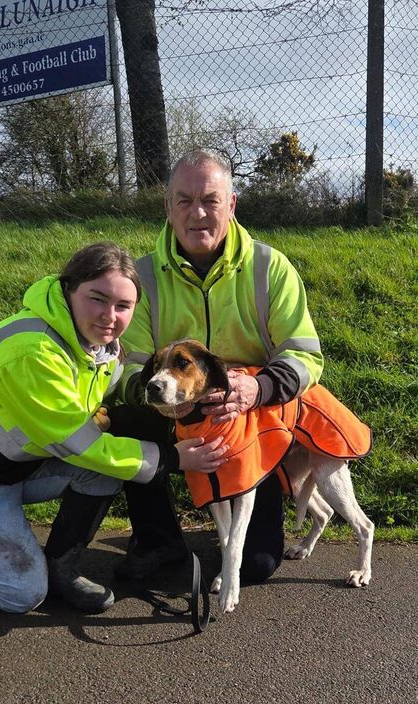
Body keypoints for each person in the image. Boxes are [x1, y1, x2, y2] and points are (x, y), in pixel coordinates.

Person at [0, 242, 227, 615]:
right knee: (23, 596)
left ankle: (60, 567)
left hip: (25, 463)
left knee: (107, 472)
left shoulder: (101, 346)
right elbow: (80, 445)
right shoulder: (32, 351)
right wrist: (171, 458)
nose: (109, 317)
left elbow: (110, 392)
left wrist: (185, 399)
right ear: (68, 289)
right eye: (97, 299)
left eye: (123, 306)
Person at [108, 149, 324, 584]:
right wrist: (179, 412)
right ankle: (157, 539)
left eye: (210, 199)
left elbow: (304, 354)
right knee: (126, 418)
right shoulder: (141, 277)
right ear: (168, 209)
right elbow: (126, 368)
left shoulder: (270, 267)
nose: (198, 213)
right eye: (184, 201)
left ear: (232, 204)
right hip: (169, 411)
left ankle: (237, 531)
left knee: (259, 566)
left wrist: (256, 391)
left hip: (250, 417)